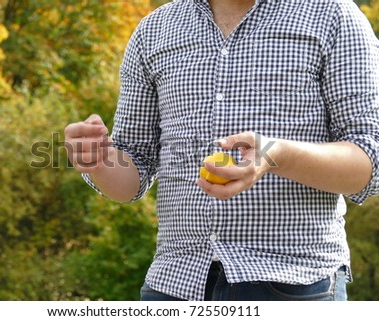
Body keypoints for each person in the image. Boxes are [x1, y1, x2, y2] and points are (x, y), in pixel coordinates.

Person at [64, 0, 379, 301]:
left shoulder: (334, 15)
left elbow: (369, 162)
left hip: (296, 283)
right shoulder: (153, 31)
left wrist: (275, 155)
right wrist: (101, 161)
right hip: (174, 284)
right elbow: (134, 170)